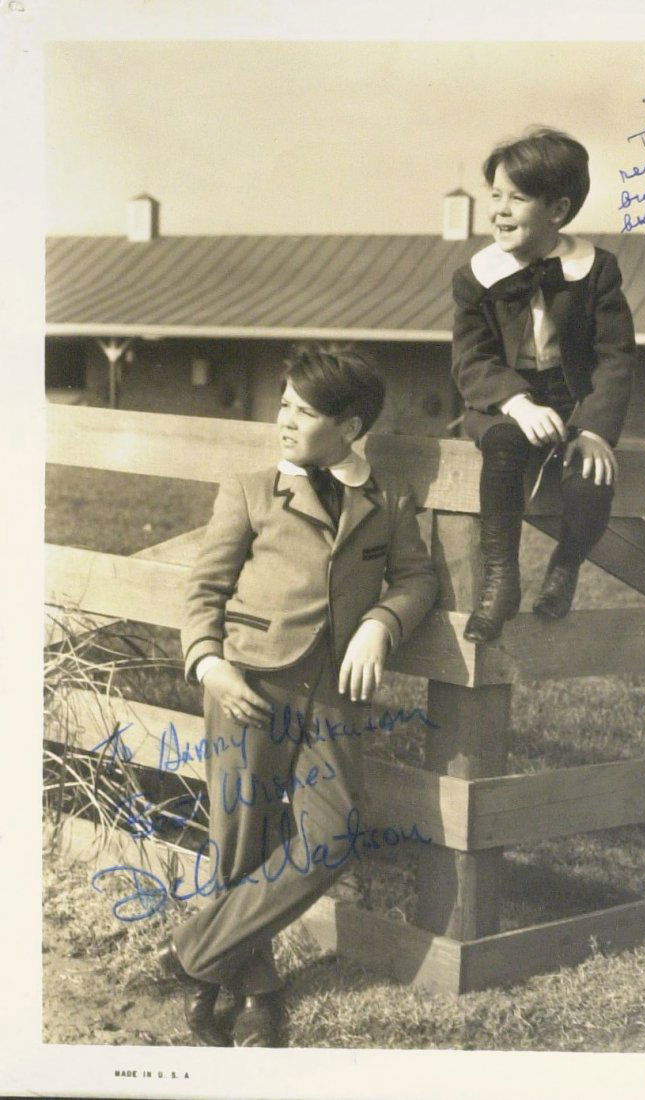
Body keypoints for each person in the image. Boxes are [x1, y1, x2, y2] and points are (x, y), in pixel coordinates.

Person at [157, 344, 438, 1046]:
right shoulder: (252, 490)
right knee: (240, 841)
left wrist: (381, 624)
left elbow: (416, 579)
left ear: (349, 427)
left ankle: (195, 954)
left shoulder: (387, 499)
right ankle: (256, 998)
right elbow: (203, 592)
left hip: (334, 694)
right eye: (282, 404)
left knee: (333, 835)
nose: (284, 419)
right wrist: (210, 666)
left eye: (304, 411)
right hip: (248, 685)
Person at [451, 126, 636, 643]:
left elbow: (614, 355)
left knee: (591, 475)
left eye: (518, 197)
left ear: (557, 211)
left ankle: (566, 563)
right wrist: (515, 402)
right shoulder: (475, 276)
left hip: (571, 399)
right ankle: (500, 578)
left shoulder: (596, 270)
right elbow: (471, 358)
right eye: (495, 196)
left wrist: (595, 428)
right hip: (499, 402)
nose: (499, 210)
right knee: (505, 447)